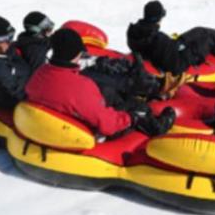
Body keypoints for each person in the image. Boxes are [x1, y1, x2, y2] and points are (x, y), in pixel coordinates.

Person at [25, 28, 176, 138]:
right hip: (89, 130)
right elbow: (107, 125)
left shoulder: (39, 74)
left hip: (62, 118)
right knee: (138, 107)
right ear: (75, 53)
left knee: (108, 90)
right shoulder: (80, 87)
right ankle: (157, 127)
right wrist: (132, 117)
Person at [126, 0, 215, 75]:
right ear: (158, 18)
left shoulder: (135, 31)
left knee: (199, 31)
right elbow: (175, 67)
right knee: (208, 39)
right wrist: (188, 51)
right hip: (180, 59)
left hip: (170, 49)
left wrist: (178, 44)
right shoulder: (157, 39)